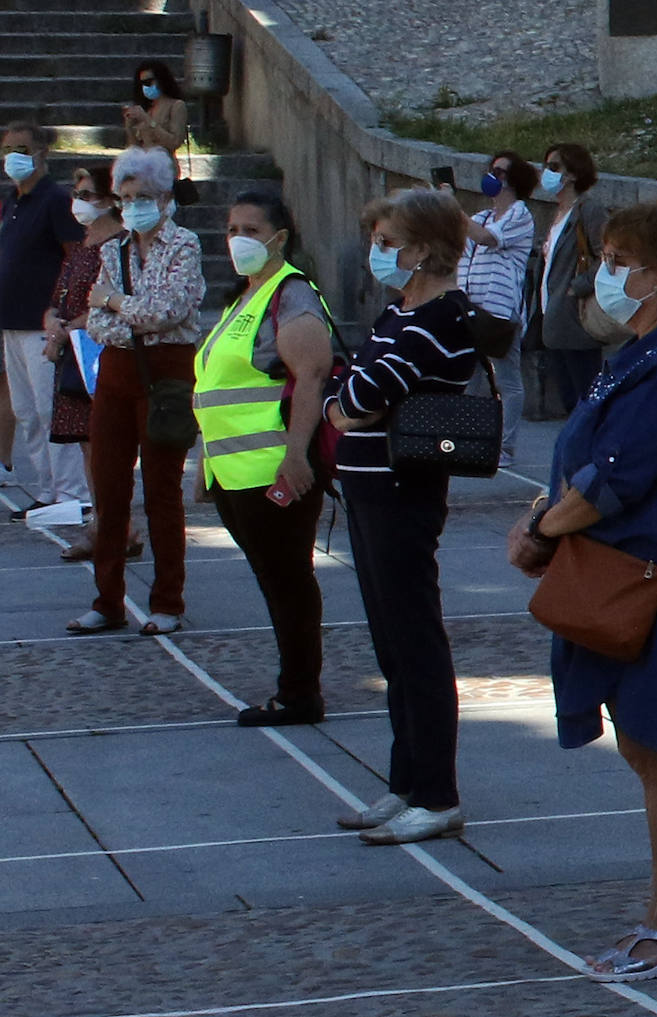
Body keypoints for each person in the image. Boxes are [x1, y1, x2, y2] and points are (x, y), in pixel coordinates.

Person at [506, 198, 657, 982]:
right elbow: (583, 461)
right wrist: (544, 514)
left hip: (647, 574)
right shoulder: (639, 350)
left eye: (617, 258)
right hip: (609, 563)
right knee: (643, 744)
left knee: (655, 742)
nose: (603, 272)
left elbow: (614, 479)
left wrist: (543, 530)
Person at [329, 187, 477, 844]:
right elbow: (351, 393)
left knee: (415, 640)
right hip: (366, 487)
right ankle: (405, 780)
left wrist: (345, 401)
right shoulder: (400, 313)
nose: (378, 253)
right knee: (391, 642)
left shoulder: (437, 318)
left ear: (424, 248)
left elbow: (359, 393)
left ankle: (438, 792)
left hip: (401, 489)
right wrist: (346, 400)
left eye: (389, 242)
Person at [194, 192, 337, 726]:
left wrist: (296, 456)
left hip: (273, 469)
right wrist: (203, 465)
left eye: (251, 230)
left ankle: (299, 693)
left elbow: (311, 377)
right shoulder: (245, 298)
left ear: (280, 236)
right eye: (232, 229)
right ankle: (295, 687)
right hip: (234, 473)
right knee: (277, 583)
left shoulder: (290, 294)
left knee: (288, 584)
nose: (238, 240)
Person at [68, 146, 204, 635]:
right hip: (117, 374)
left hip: (165, 375)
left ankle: (168, 600)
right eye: (125, 198)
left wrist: (120, 306)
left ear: (164, 196)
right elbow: (98, 320)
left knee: (162, 489)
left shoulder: (184, 245)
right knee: (109, 487)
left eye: (142, 196)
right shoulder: (113, 250)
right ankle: (108, 600)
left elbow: (168, 310)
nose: (133, 206)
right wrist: (130, 314)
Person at [41, 166, 143, 562]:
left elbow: (109, 298)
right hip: (73, 355)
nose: (78, 201)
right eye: (77, 192)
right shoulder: (84, 243)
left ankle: (111, 525)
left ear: (109, 202)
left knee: (103, 445)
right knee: (88, 446)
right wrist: (53, 320)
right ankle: (110, 523)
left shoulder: (119, 246)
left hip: (98, 354)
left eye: (87, 194)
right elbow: (62, 292)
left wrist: (69, 330)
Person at [1, 121, 88, 520]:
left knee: (51, 408)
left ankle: (71, 493)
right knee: (25, 410)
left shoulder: (54, 200)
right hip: (12, 322)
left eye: (22, 147)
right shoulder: (13, 202)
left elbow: (75, 256)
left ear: (41, 153)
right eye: (7, 149)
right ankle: (47, 489)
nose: (13, 156)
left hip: (44, 324)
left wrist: (65, 313)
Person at [456, 150, 537, 467]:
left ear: (514, 180)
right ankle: (473, 441)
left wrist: (453, 208)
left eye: (500, 172)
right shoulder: (480, 216)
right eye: (492, 170)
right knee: (470, 379)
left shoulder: (520, 214)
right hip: (471, 308)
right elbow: (463, 242)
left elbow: (488, 240)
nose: (493, 176)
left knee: (507, 381)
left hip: (500, 311)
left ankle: (505, 447)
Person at [536, 142, 607, 412]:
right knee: (570, 401)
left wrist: (578, 286)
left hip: (576, 318)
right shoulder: (558, 214)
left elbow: (609, 255)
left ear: (573, 174)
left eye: (555, 167)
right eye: (546, 166)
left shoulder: (589, 210)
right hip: (553, 316)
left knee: (587, 399)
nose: (547, 172)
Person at [123, 61, 188, 166]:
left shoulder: (176, 105)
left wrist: (148, 121)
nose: (145, 87)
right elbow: (135, 147)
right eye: (142, 83)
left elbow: (175, 142)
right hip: (144, 165)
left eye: (149, 82)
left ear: (161, 80)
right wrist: (129, 127)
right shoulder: (146, 108)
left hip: (164, 166)